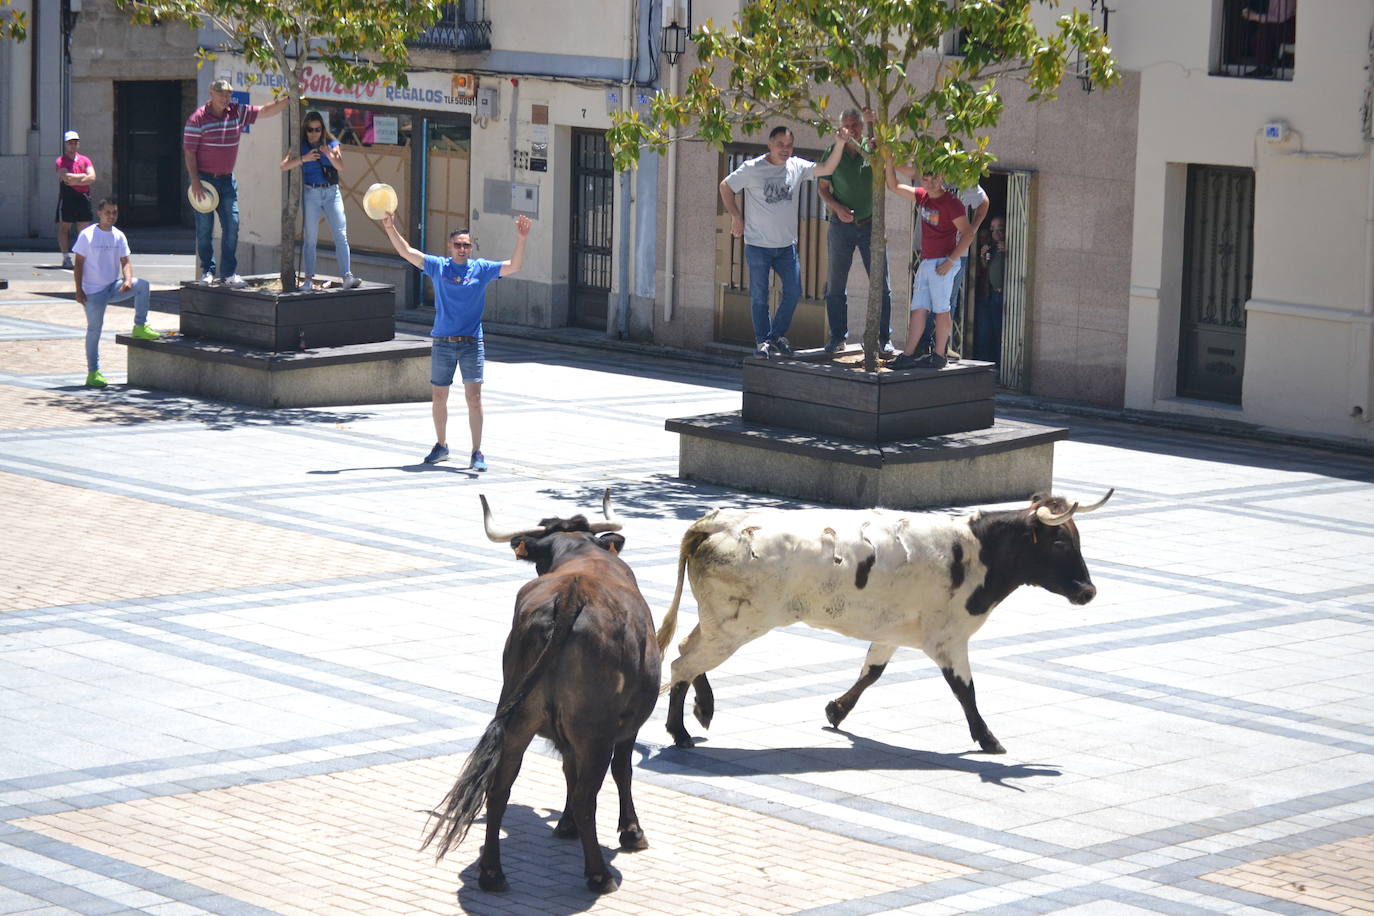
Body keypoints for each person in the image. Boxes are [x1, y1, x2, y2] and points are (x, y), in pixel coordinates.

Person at [380, 211, 531, 469]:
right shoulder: (439, 266)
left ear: (471, 248)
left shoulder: (481, 269)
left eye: (466, 245)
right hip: (443, 342)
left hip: (472, 343)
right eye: (458, 244)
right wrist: (390, 228)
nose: (462, 248)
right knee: (439, 397)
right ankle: (441, 446)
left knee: (474, 398)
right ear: (450, 247)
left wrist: (522, 238)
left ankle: (477, 452)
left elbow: (514, 266)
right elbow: (407, 253)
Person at [720, 124, 850, 359]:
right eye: (780, 144)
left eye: (789, 145)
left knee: (793, 292)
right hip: (758, 245)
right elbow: (726, 186)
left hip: (786, 247)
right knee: (759, 296)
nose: (785, 149)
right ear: (770, 144)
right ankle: (762, 342)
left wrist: (840, 143)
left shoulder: (797, 166)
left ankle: (775, 336)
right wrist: (736, 217)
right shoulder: (752, 168)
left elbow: (828, 167)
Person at [184, 78, 288, 288]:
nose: (225, 98)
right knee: (204, 229)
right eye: (221, 93)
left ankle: (229, 273)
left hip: (227, 180)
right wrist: (195, 181)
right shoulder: (198, 119)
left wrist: (290, 98)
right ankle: (207, 271)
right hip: (204, 181)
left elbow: (265, 111)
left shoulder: (237, 112)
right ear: (211, 93)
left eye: (229, 94)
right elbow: (189, 152)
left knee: (232, 225)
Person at [817, 109, 895, 357]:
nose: (852, 129)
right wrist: (837, 208)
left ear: (862, 126)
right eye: (847, 125)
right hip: (841, 227)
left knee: (881, 283)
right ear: (841, 128)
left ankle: (883, 339)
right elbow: (823, 189)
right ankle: (837, 336)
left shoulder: (871, 149)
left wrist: (877, 126)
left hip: (871, 225)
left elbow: (890, 160)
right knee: (836, 283)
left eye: (856, 125)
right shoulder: (833, 152)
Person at [884, 164, 974, 370]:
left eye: (934, 178)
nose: (930, 182)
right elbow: (893, 185)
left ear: (942, 176)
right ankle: (908, 355)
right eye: (925, 178)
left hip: (943, 263)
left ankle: (939, 355)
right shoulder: (922, 196)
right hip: (926, 262)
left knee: (942, 309)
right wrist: (888, 160)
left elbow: (968, 234)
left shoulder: (952, 203)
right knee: (919, 309)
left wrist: (950, 261)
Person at [896, 166, 989, 359]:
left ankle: (940, 349)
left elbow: (983, 202)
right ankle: (923, 346)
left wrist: (972, 228)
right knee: (923, 303)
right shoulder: (926, 176)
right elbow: (905, 172)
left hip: (955, 253)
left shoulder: (963, 179)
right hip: (928, 250)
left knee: (946, 303)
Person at [72, 199, 162, 388]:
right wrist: (79, 290)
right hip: (93, 292)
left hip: (112, 287)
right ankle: (93, 372)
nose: (111, 216)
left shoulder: (119, 236)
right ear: (99, 213)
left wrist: (128, 279)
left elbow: (125, 262)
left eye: (114, 213)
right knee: (94, 330)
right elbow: (78, 263)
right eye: (108, 212)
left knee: (142, 286)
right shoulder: (87, 235)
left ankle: (140, 326)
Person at [280, 111, 361, 291]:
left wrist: (330, 155)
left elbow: (341, 167)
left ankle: (347, 275)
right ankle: (308, 279)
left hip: (332, 192)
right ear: (305, 130)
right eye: (310, 130)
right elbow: (284, 165)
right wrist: (304, 159)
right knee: (310, 238)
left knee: (341, 234)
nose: (314, 133)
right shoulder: (300, 146)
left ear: (323, 129)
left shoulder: (332, 143)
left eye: (317, 129)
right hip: (312, 193)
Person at [55, 130, 96, 269]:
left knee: (84, 230)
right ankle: (66, 258)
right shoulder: (61, 161)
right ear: (66, 144)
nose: (73, 145)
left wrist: (76, 179)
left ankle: (82, 258)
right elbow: (66, 179)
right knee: (64, 227)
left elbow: (92, 177)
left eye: (75, 142)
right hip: (68, 197)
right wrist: (83, 178)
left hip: (83, 197)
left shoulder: (85, 160)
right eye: (70, 143)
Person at [973, 217, 1007, 363]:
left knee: (1001, 333)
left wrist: (1008, 252)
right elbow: (985, 268)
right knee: (989, 333)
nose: (996, 232)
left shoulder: (1012, 246)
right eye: (993, 229)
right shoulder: (992, 248)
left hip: (1005, 295)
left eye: (1000, 228)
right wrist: (982, 256)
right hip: (992, 294)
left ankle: (1002, 365)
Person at [1240, 0, 1296, 78]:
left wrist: (1255, 16)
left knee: (1265, 30)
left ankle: (1265, 68)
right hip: (1278, 25)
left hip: (1291, 27)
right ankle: (1264, 66)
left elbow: (1281, 18)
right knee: (1259, 34)